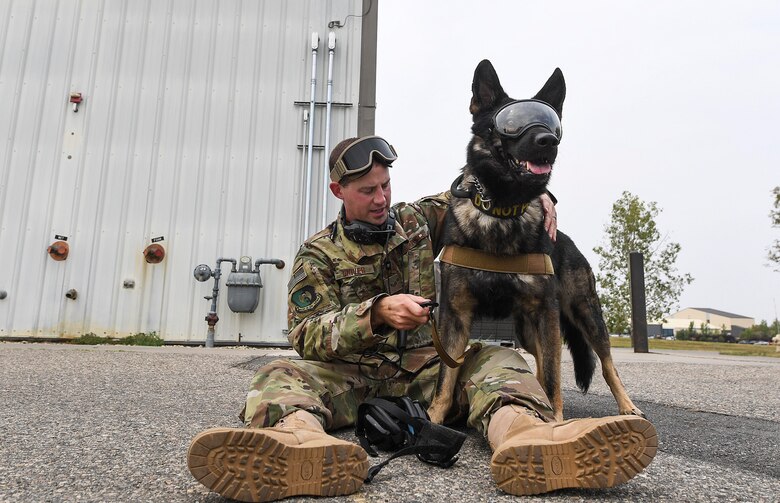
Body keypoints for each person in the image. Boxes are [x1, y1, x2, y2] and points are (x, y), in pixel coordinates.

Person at [187, 136, 657, 502]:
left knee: (498, 359)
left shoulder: (416, 221)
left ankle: (527, 437)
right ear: (338, 190)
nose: (381, 198)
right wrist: (375, 314)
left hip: (429, 373)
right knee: (278, 375)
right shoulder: (317, 253)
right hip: (353, 376)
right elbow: (305, 335)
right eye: (367, 190)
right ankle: (299, 446)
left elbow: (481, 185)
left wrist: (542, 191)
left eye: (386, 186)